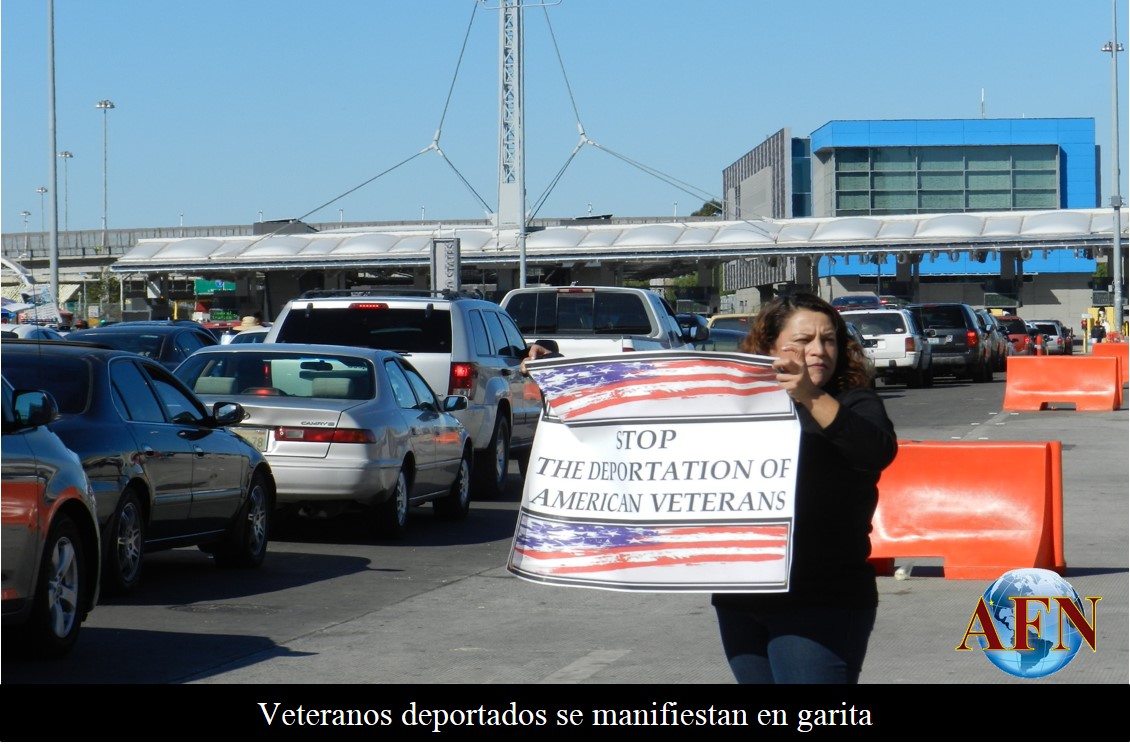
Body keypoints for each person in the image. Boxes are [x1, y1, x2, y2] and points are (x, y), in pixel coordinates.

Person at [711, 292, 897, 684]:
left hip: (822, 595)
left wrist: (810, 396)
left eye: (828, 340)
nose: (819, 350)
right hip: (741, 593)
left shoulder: (854, 402)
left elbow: (875, 450)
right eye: (803, 340)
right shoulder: (734, 406)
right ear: (769, 346)